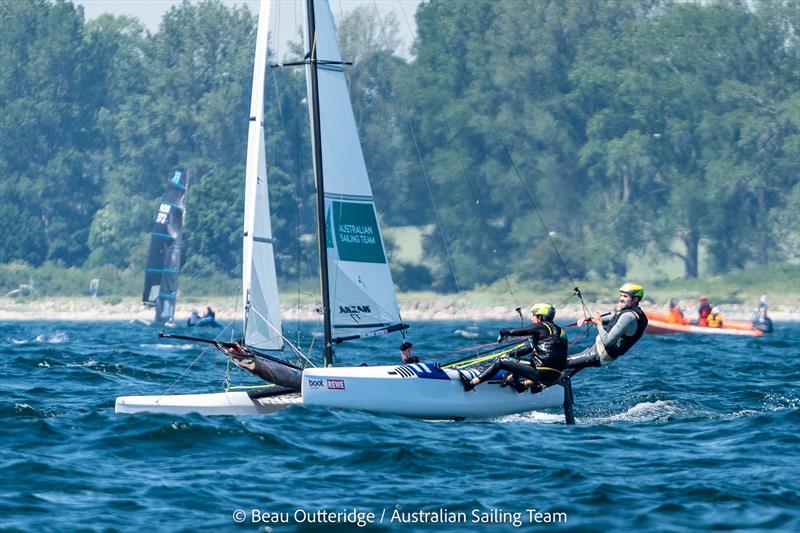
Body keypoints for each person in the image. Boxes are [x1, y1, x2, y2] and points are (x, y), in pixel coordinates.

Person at [462, 303, 567, 393]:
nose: (531, 318)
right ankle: (519, 385)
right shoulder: (561, 332)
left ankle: (471, 384)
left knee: (501, 362)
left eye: (533, 315)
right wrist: (510, 355)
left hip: (540, 371)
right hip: (555, 375)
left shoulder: (542, 326)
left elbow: (512, 332)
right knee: (520, 362)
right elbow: (530, 348)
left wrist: (503, 332)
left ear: (539, 316)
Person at [566, 283, 648, 371]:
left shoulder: (628, 317)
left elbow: (607, 342)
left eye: (625, 296)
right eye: (621, 295)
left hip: (600, 354)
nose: (621, 299)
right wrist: (589, 319)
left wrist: (598, 324)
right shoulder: (636, 313)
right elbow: (614, 318)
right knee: (567, 369)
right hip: (598, 349)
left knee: (560, 363)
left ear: (635, 299)